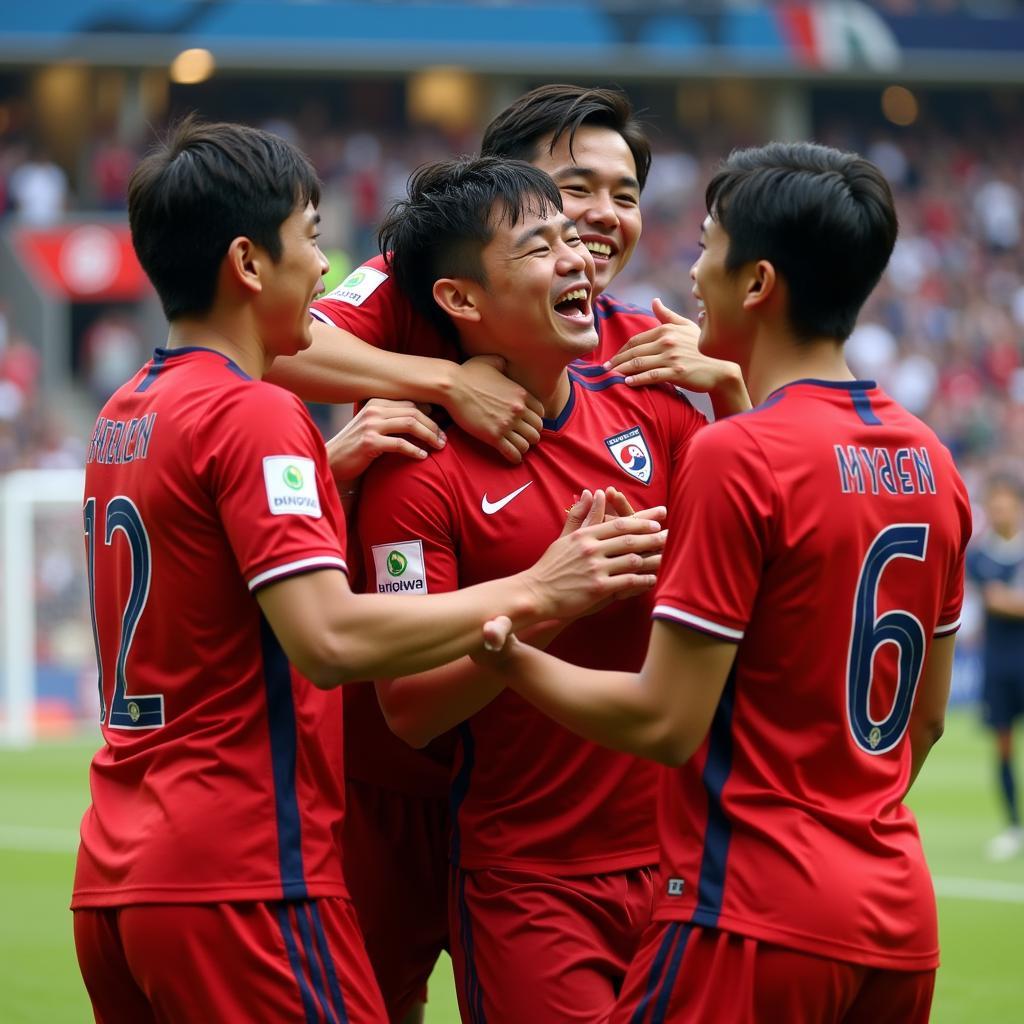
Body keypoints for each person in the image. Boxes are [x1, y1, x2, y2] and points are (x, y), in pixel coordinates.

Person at [71, 117, 665, 1023]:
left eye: (618, 196)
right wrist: (539, 591)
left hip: (119, 862)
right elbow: (332, 639)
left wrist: (317, 479)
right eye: (310, 239)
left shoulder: (128, 409)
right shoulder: (269, 404)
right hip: (246, 868)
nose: (322, 269)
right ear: (248, 262)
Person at [281, 84, 750, 1024]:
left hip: (598, 818)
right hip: (399, 787)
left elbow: (752, 544)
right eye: (574, 191)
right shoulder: (420, 294)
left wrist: (735, 394)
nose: (599, 222)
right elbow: (282, 342)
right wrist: (449, 380)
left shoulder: (643, 361)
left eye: (624, 196)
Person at [478, 142, 973, 1023]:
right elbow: (926, 720)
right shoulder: (935, 463)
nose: (693, 273)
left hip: (747, 912)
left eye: (708, 248)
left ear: (757, 284)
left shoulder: (735, 453)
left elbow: (665, 723)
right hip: (899, 917)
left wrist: (509, 651)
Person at [358, 155, 704, 1024]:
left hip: (686, 866)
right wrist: (544, 599)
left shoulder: (652, 412)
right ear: (462, 301)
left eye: (573, 241)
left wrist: (735, 389)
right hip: (531, 883)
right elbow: (410, 709)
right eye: (541, 246)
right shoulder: (415, 468)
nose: (580, 258)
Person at [967, 473, 1024, 861]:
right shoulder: (979, 557)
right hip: (998, 665)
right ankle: (1013, 826)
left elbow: (1002, 603)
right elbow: (985, 603)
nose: (1001, 510)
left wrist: (1004, 602)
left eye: (1007, 503)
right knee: (1003, 745)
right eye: (995, 504)